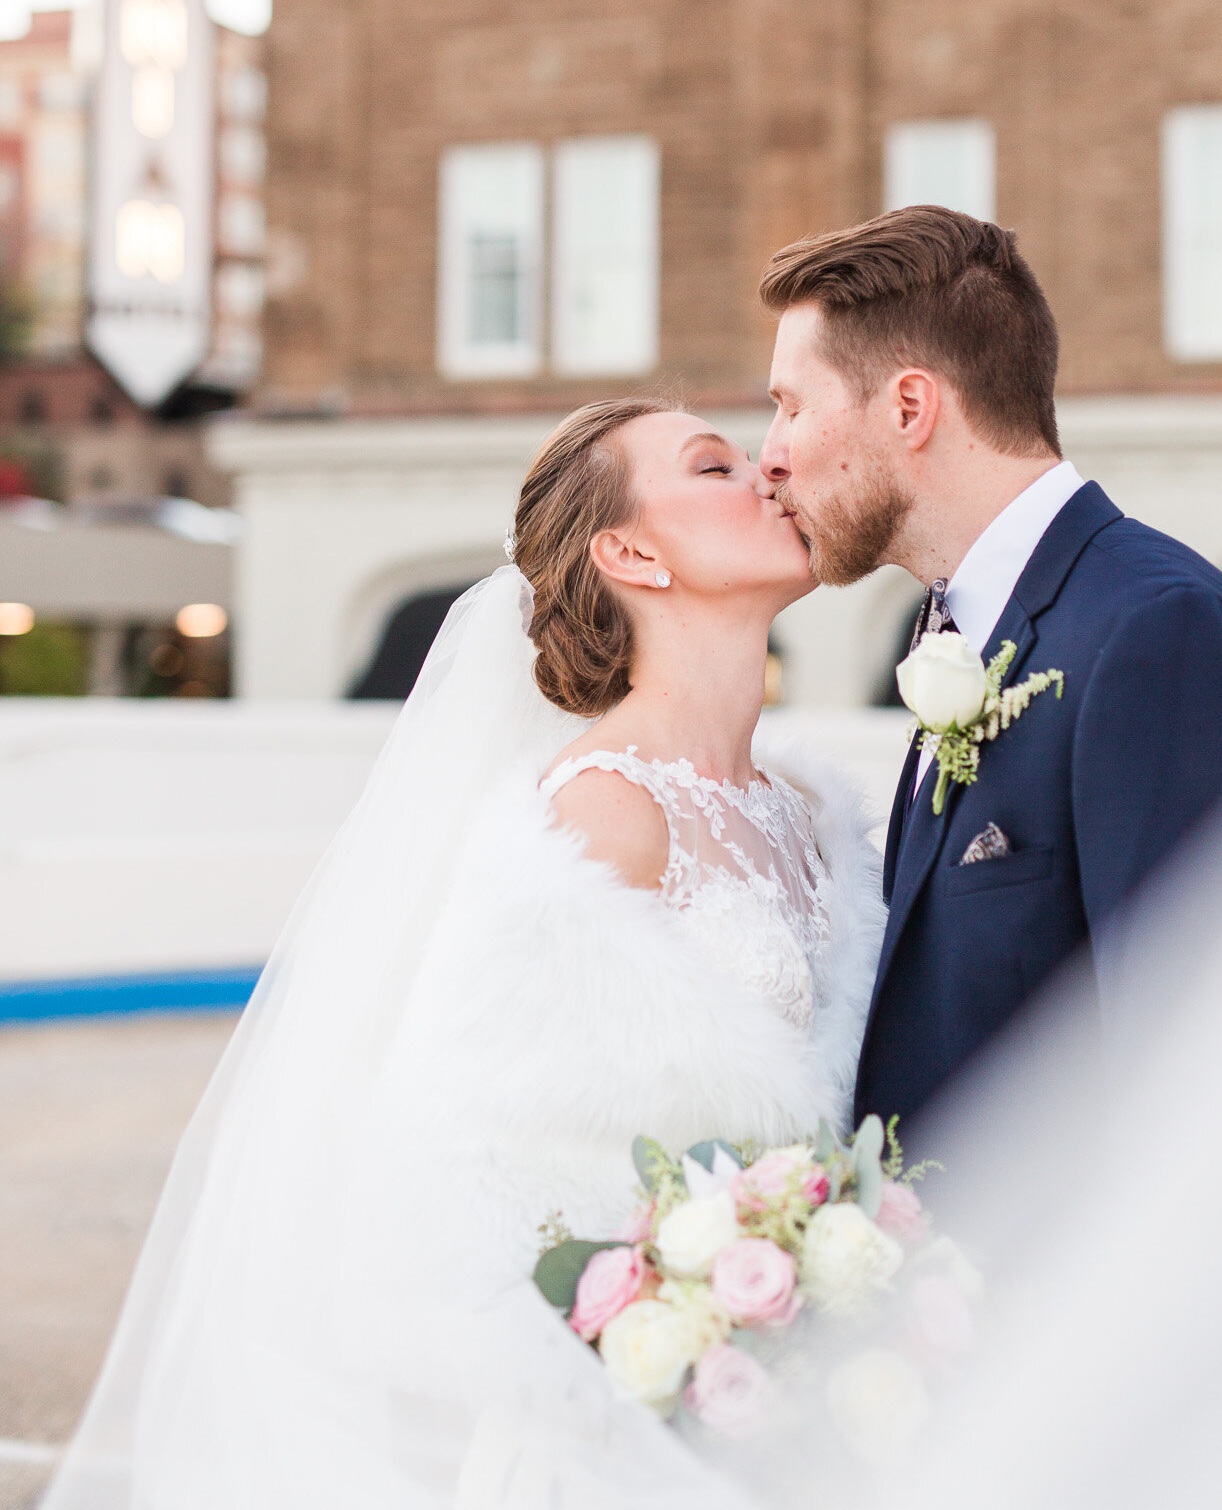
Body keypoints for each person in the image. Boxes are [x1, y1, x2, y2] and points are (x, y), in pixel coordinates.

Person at [44, 400, 884, 1510]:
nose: (768, 472)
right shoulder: (596, 820)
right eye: (714, 464)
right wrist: (697, 1351)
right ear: (632, 551)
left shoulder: (816, 811)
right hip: (627, 1447)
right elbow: (467, 1189)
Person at [757, 205, 1222, 1138]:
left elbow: (1216, 1088)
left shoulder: (1162, 637)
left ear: (910, 408)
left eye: (790, 406)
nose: (770, 457)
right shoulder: (963, 633)